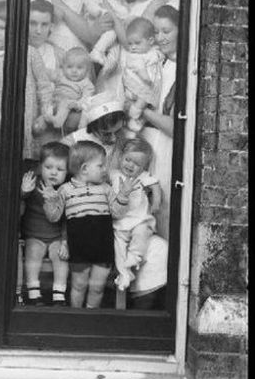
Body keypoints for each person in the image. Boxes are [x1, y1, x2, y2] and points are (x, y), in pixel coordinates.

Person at [62, 92, 169, 307]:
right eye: (105, 132)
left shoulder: (126, 140)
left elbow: (140, 165)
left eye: (115, 130)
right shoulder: (78, 141)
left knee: (153, 247)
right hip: (90, 212)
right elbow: (59, 163)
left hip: (119, 211)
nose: (111, 137)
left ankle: (131, 303)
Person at [40, 140, 132, 309]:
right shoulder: (65, 190)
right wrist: (50, 200)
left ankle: (91, 316)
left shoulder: (105, 188)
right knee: (78, 286)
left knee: (97, 288)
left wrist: (124, 195)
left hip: (102, 247)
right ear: (84, 169)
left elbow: (117, 213)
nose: (105, 169)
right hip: (79, 247)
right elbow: (54, 217)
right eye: (101, 165)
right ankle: (76, 317)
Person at [0, 1, 54, 158]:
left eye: (2, 28)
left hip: (26, 115)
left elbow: (44, 86)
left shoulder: (29, 53)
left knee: (24, 157)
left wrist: (44, 115)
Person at [140, 4, 179, 241]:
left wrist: (142, 111)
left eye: (166, 31)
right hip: (146, 141)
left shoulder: (184, 69)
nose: (160, 37)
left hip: (165, 146)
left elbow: (175, 127)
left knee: (161, 204)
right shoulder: (158, 63)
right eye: (156, 31)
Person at [20, 142, 70, 306]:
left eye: (60, 169)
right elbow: (18, 206)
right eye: (49, 167)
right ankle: (34, 293)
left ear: (67, 172)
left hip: (56, 236)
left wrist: (65, 241)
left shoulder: (65, 189)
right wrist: (24, 192)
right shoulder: (33, 183)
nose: (54, 172)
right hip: (34, 235)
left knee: (61, 257)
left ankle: (59, 295)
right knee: (33, 253)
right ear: (40, 167)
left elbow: (66, 219)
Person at [110, 137, 161, 291]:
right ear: (120, 158)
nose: (130, 165)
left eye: (137, 164)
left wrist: (156, 201)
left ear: (143, 167)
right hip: (120, 222)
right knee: (117, 247)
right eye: (128, 160)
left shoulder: (142, 176)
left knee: (140, 236)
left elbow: (156, 185)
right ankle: (124, 273)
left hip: (140, 219)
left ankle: (134, 258)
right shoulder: (114, 174)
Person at [98, 17, 164, 137]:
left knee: (141, 104)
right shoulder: (134, 56)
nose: (133, 47)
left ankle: (136, 118)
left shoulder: (153, 53)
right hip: (136, 86)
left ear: (150, 41)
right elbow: (138, 69)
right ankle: (132, 118)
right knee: (132, 104)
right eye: (130, 43)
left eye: (137, 43)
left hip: (147, 89)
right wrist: (144, 77)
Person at [86, 0, 130, 66]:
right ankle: (97, 51)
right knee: (111, 33)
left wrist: (126, 12)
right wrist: (102, 12)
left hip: (116, 25)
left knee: (115, 39)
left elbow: (125, 8)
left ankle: (107, 59)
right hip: (99, 24)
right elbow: (91, 7)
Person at [41, 46, 95, 132]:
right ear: (64, 67)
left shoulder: (87, 84)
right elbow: (46, 73)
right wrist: (40, 68)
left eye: (79, 67)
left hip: (70, 106)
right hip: (54, 102)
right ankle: (40, 124)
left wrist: (77, 104)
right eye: (69, 67)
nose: (74, 71)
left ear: (87, 70)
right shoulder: (61, 75)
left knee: (65, 103)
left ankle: (57, 121)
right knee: (45, 107)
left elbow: (86, 99)